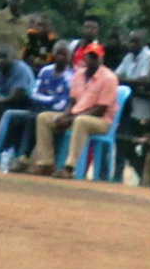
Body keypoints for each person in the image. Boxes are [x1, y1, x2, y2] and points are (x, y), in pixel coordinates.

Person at [22, 46, 117, 177]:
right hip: (76, 116)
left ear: (101, 58)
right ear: (85, 57)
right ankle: (46, 163)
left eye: (95, 57)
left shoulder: (109, 78)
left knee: (81, 121)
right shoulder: (78, 74)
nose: (92, 59)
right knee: (44, 118)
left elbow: (100, 110)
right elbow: (72, 102)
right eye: (89, 56)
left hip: (100, 121)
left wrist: (71, 119)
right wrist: (65, 116)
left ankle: (69, 168)